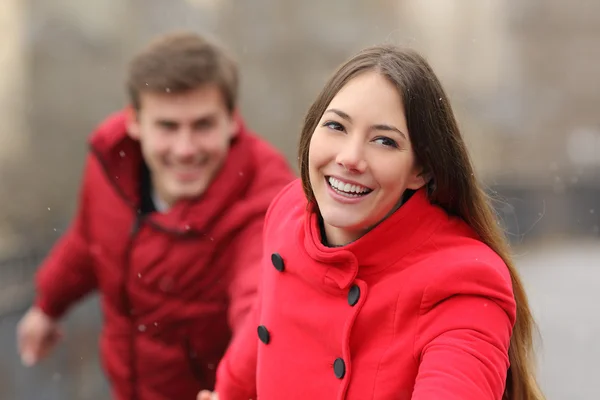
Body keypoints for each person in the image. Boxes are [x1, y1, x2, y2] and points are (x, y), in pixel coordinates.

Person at [198, 45, 545, 400]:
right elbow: (270, 318)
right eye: (336, 125)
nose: (350, 158)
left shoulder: (464, 280)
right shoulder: (289, 214)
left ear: (420, 169)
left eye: (384, 141)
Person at [16, 31, 295, 399]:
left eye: (203, 125)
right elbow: (88, 239)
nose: (184, 149)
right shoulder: (110, 164)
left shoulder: (268, 199)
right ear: (134, 122)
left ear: (232, 120)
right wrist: (48, 305)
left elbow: (260, 303)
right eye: (167, 126)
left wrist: (236, 389)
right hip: (124, 382)